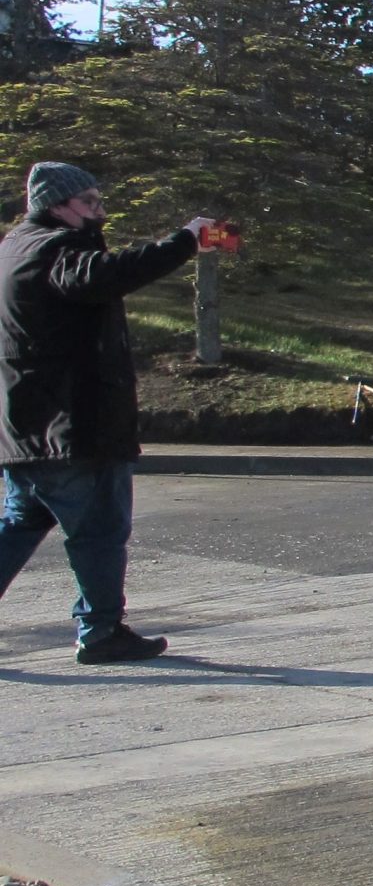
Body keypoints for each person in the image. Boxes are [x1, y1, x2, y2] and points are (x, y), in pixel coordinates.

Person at [0, 163, 216, 663]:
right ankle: (99, 631)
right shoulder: (57, 251)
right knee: (98, 532)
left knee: (19, 525)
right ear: (57, 206)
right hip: (74, 425)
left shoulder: (14, 247)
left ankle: (100, 629)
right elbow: (108, 276)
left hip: (26, 426)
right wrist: (184, 241)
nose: (101, 211)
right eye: (90, 202)